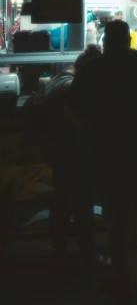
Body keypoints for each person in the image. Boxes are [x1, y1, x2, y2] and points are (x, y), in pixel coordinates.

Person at [67, 21, 137, 299]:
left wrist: (92, 131)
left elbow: (72, 111)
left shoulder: (91, 69)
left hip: (106, 152)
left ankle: (121, 276)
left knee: (115, 215)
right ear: (128, 39)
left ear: (105, 41)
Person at [30, 45, 102, 264]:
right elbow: (79, 119)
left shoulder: (60, 79)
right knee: (82, 201)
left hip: (58, 150)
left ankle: (58, 248)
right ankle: (88, 255)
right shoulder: (72, 87)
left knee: (61, 200)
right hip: (74, 151)